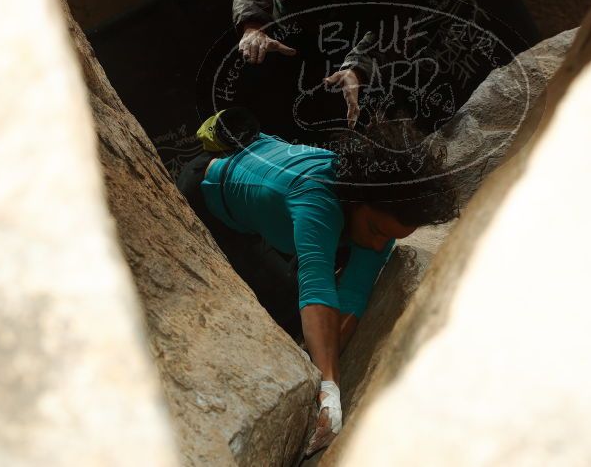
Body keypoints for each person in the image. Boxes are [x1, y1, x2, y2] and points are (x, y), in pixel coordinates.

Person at [176, 107, 458, 455]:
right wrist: (330, 385)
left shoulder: (374, 209)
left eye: (391, 237)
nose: (377, 245)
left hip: (270, 198)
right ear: (358, 199)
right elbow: (318, 288)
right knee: (287, 310)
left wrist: (327, 372)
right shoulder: (317, 199)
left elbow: (355, 290)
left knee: (326, 287)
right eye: (377, 231)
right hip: (210, 196)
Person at [230, 0, 416, 136]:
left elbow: (395, 17)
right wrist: (253, 23)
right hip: (287, 32)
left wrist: (359, 67)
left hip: (348, 41)